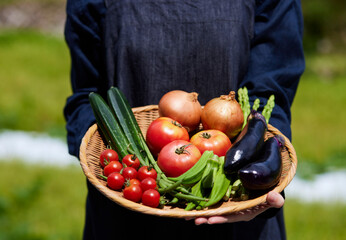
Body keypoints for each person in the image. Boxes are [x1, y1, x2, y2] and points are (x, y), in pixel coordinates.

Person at [64, 0, 305, 239]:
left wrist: (263, 182)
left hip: (238, 221)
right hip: (127, 203)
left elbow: (270, 92)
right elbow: (86, 97)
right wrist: (109, 164)